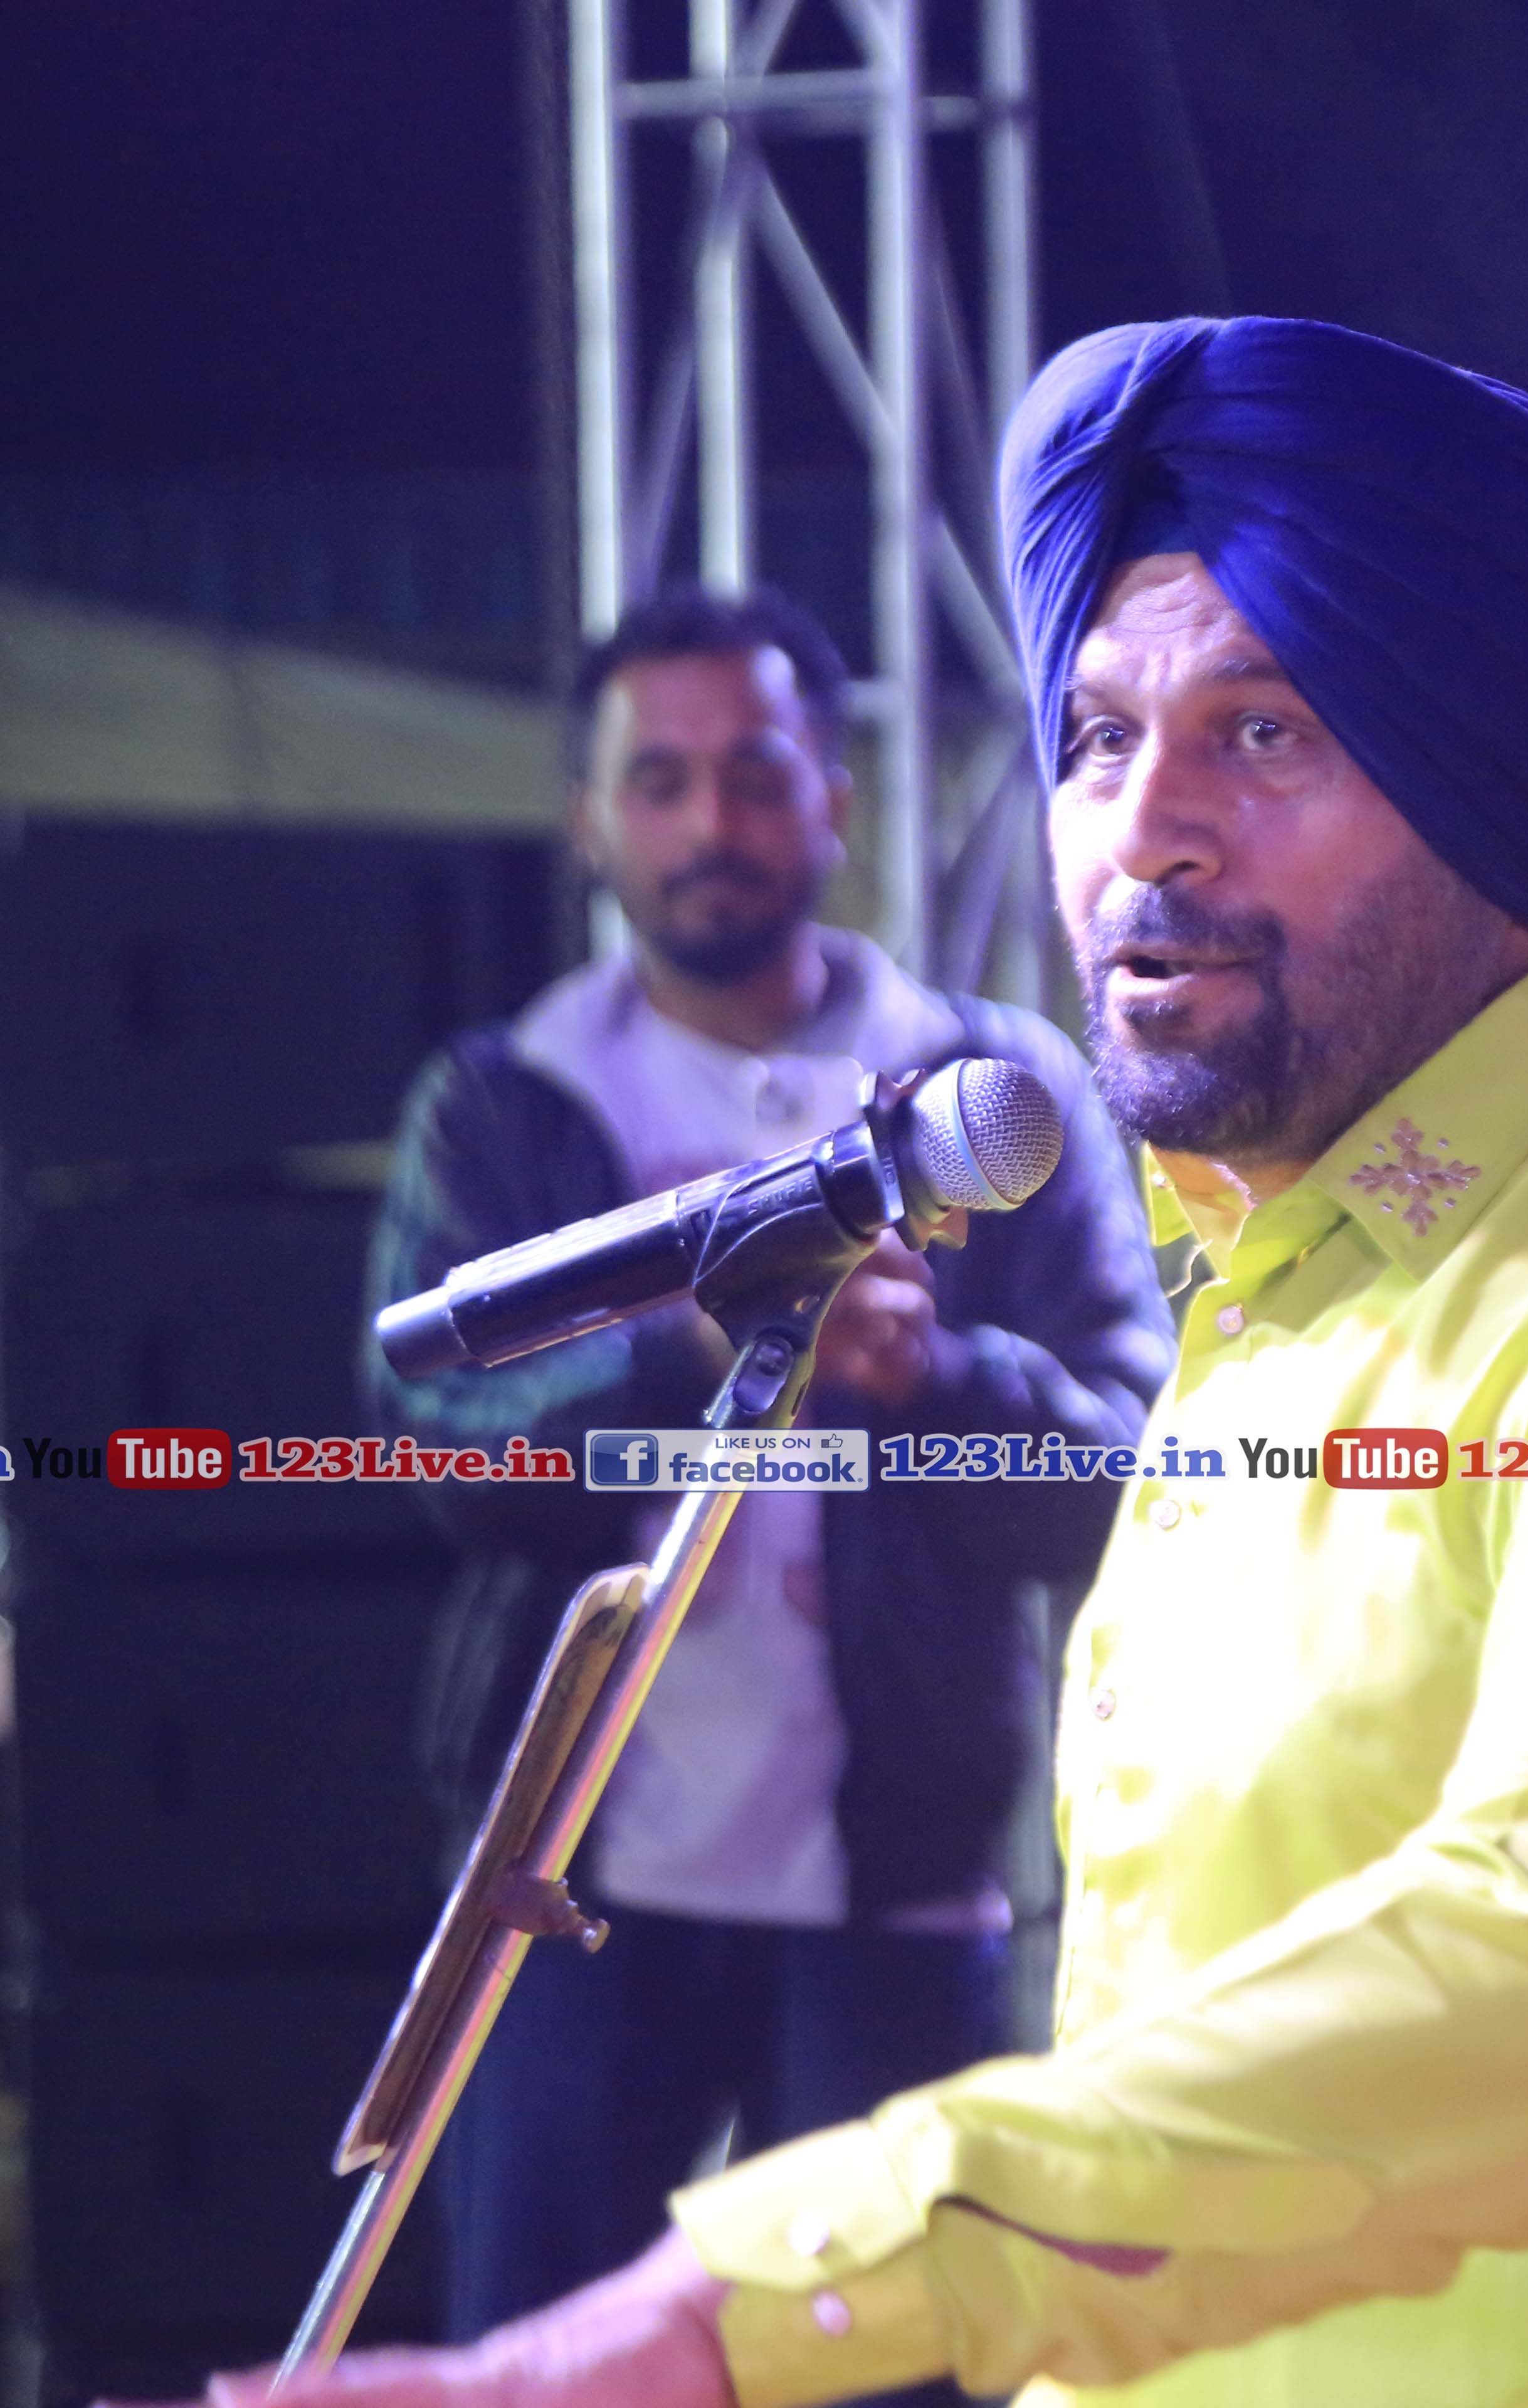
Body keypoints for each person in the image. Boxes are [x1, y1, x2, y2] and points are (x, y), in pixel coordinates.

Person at [220, 316, 1528, 2408]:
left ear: (1490, 787)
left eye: (1264, 732)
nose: (1146, 830)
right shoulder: (1273, 1282)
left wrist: (702, 2321)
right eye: (1098, 738)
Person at [359, 583, 1174, 2385]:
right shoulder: (507, 1101)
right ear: (588, 822)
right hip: (573, 1881)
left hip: (905, 1880)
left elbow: (1128, 1476)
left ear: (836, 801)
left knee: (897, 2366)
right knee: (545, 2366)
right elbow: (435, 1446)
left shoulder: (997, 1087)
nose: (709, 823)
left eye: (754, 772)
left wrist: (925, 1378)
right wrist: (690, 1352)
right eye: (659, 782)